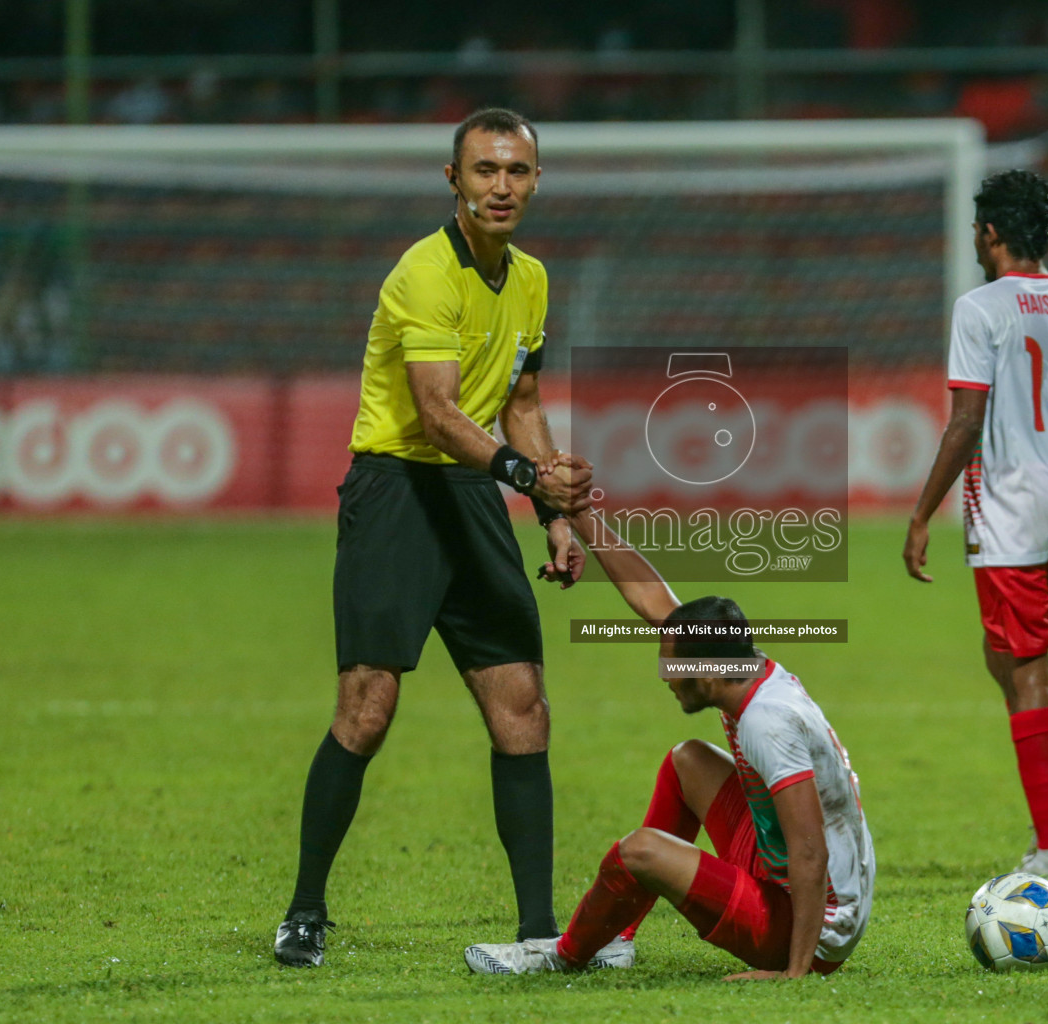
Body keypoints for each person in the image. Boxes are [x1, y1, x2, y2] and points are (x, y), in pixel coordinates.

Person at [274, 108, 594, 967]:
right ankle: (305, 909)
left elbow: (520, 406)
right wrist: (527, 478)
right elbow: (438, 412)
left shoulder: (531, 278)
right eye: (485, 170)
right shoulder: (424, 272)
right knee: (367, 708)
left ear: (535, 181)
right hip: (398, 491)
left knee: (522, 708)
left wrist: (555, 515)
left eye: (517, 171)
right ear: (452, 181)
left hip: (478, 491)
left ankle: (539, 932)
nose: (501, 186)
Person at [462, 502, 875, 979]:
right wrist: (577, 514)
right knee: (689, 761)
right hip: (789, 878)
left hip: (809, 927)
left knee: (639, 852)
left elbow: (809, 852)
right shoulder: (738, 663)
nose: (664, 674)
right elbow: (649, 595)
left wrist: (796, 973)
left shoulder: (767, 721)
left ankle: (561, 956)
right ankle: (617, 941)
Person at [903, 169, 1048, 889]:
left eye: (977, 230)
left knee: (1026, 666)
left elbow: (967, 420)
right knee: (1004, 652)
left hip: (1007, 503)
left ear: (991, 233)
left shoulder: (980, 309)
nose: (974, 241)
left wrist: (919, 513)